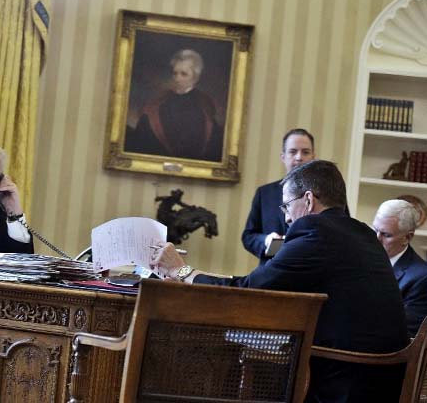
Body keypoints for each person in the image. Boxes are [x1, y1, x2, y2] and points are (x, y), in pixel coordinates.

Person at [151, 160, 408, 402]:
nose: (285, 217)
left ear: (308, 200)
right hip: (384, 376)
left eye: (286, 205)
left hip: (345, 381)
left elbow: (248, 293)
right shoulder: (361, 233)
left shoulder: (316, 233)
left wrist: (181, 272)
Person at [124, 49, 223, 161]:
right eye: (175, 73)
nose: (177, 78)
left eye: (183, 74)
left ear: (196, 78)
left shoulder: (205, 105)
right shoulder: (159, 102)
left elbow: (212, 144)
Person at [241, 128, 315, 265]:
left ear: (313, 157)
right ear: (283, 156)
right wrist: (266, 241)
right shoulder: (265, 193)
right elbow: (248, 236)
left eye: (305, 152)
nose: (299, 157)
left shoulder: (328, 193)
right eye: (293, 152)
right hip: (272, 271)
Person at [373, 199, 427, 337]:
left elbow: (405, 333)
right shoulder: (362, 260)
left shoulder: (421, 277)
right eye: (375, 230)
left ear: (407, 237)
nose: (376, 239)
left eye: (386, 235)